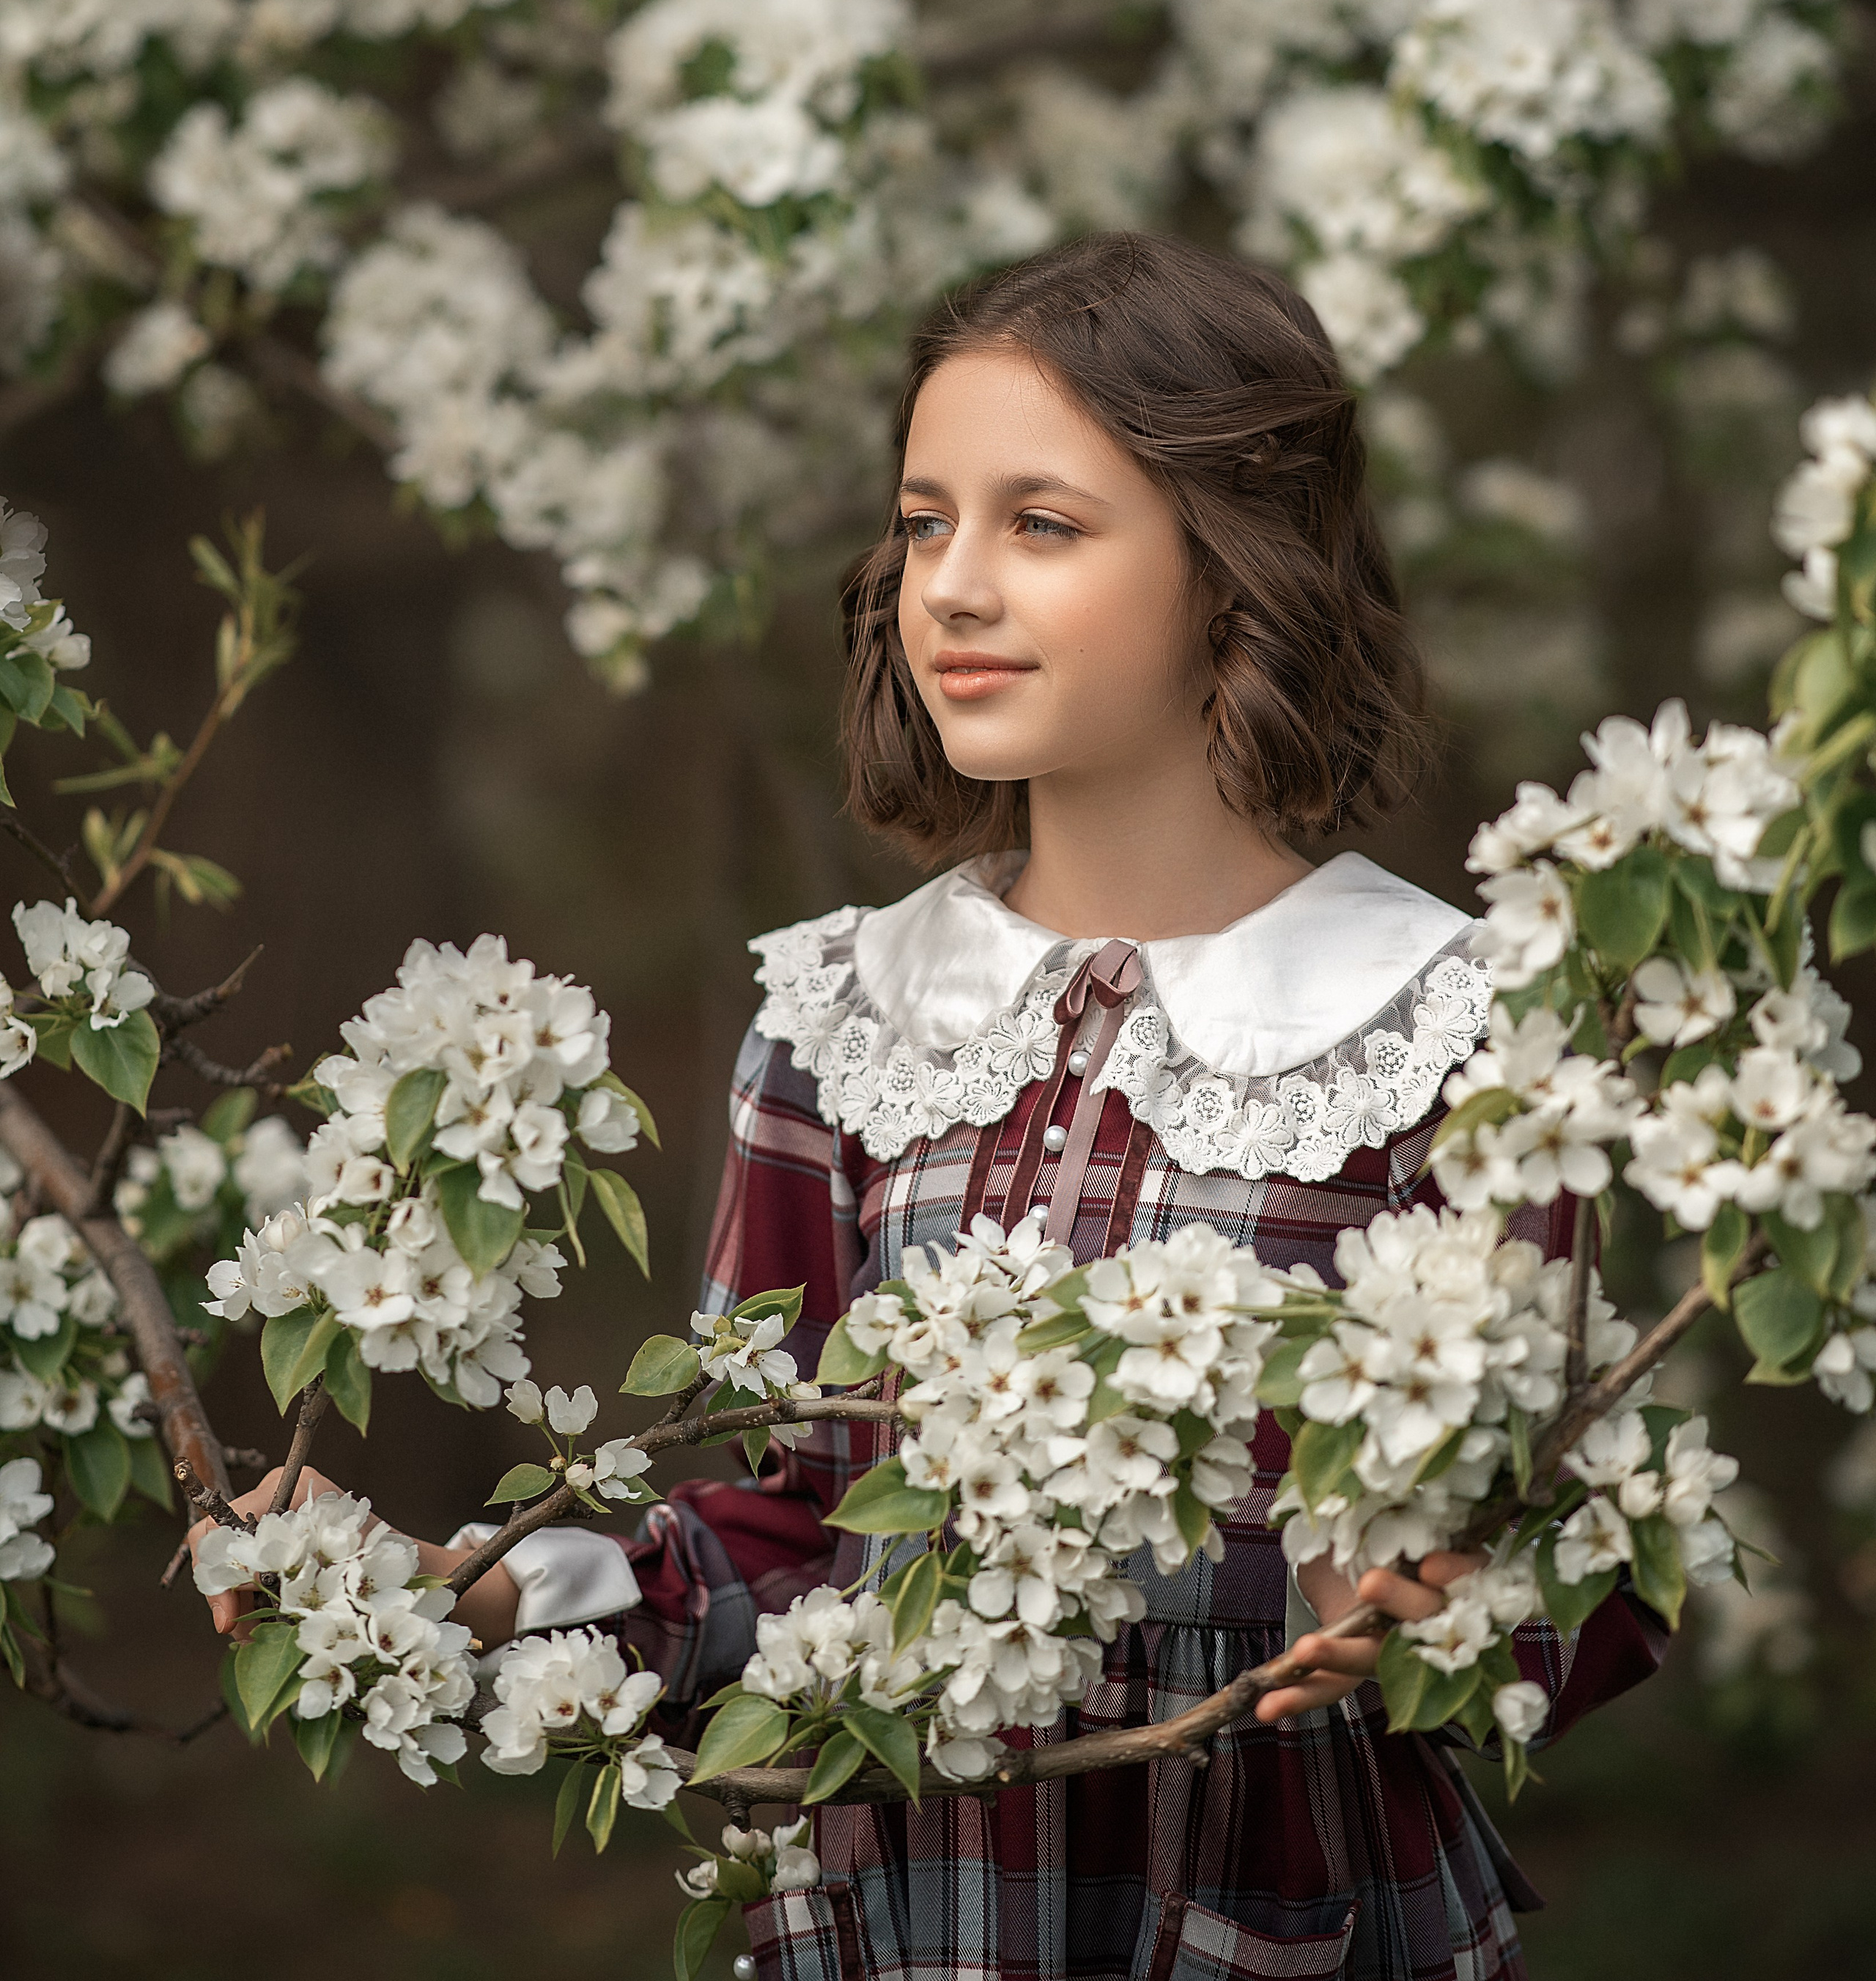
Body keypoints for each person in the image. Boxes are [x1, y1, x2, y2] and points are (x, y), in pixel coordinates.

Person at [202, 235, 1663, 1981]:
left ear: (1232, 563)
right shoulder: (845, 1019)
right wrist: (493, 1591)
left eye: (1040, 524)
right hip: (912, 1912)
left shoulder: (1454, 1025)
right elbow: (785, 1517)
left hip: (1273, 1904)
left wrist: (1439, 1605)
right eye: (922, 521)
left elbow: (1578, 1549)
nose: (952, 585)